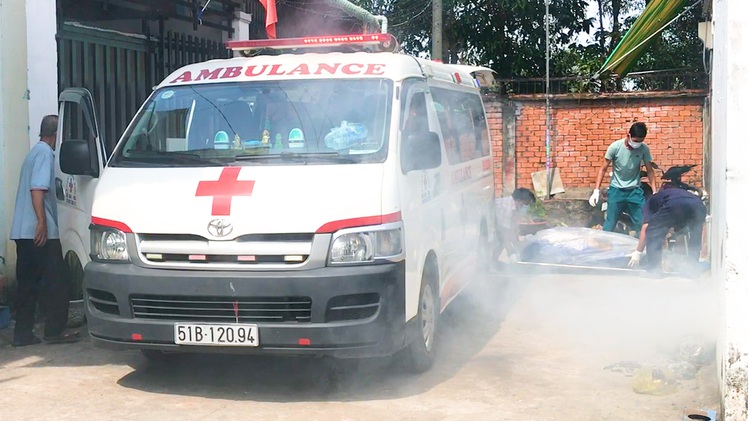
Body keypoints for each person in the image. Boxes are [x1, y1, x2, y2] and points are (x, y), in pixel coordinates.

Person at [10, 115, 80, 347]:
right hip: (40, 233)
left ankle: (22, 334)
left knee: (28, 285)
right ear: (55, 135)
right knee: (57, 283)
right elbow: (37, 189)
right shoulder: (44, 155)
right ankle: (54, 330)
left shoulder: (32, 153)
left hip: (24, 232)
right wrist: (42, 222)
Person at [589, 122, 657, 235]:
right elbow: (603, 168)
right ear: (628, 135)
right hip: (616, 190)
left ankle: (642, 249)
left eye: (640, 141)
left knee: (642, 222)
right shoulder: (615, 147)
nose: (637, 144)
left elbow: (650, 170)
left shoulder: (643, 149)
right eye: (635, 141)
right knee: (610, 223)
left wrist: (655, 192)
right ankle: (605, 249)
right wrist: (596, 190)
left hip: (634, 191)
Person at [627, 183, 707, 273]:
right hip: (699, 205)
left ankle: (653, 269)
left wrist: (638, 252)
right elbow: (679, 230)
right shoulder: (673, 193)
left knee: (653, 231)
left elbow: (646, 228)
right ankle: (692, 267)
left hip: (675, 204)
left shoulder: (650, 201)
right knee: (695, 234)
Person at [494, 188, 537, 263]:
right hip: (489, 224)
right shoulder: (506, 207)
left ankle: (493, 262)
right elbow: (504, 234)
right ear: (519, 200)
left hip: (499, 225)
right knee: (500, 241)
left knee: (504, 240)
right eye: (525, 204)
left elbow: (513, 231)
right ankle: (491, 263)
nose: (525, 207)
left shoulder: (514, 208)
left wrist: (518, 248)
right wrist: (511, 253)